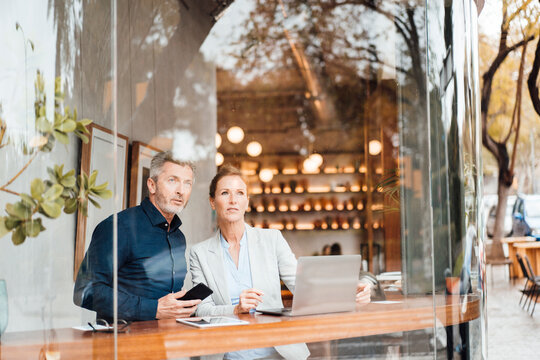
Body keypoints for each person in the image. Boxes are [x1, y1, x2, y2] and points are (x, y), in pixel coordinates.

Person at [189, 165, 371, 359]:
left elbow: (303, 285)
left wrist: (346, 291)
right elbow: (202, 310)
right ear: (212, 201)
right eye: (225, 193)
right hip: (226, 355)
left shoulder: (272, 239)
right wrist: (236, 309)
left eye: (240, 193)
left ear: (247, 202)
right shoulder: (199, 253)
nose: (233, 200)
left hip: (276, 352)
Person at [74, 151, 201, 321]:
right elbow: (85, 291)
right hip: (123, 342)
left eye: (187, 184)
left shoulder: (178, 237)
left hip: (167, 340)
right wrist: (154, 309)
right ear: (152, 185)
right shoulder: (119, 227)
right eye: (172, 180)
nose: (181, 191)